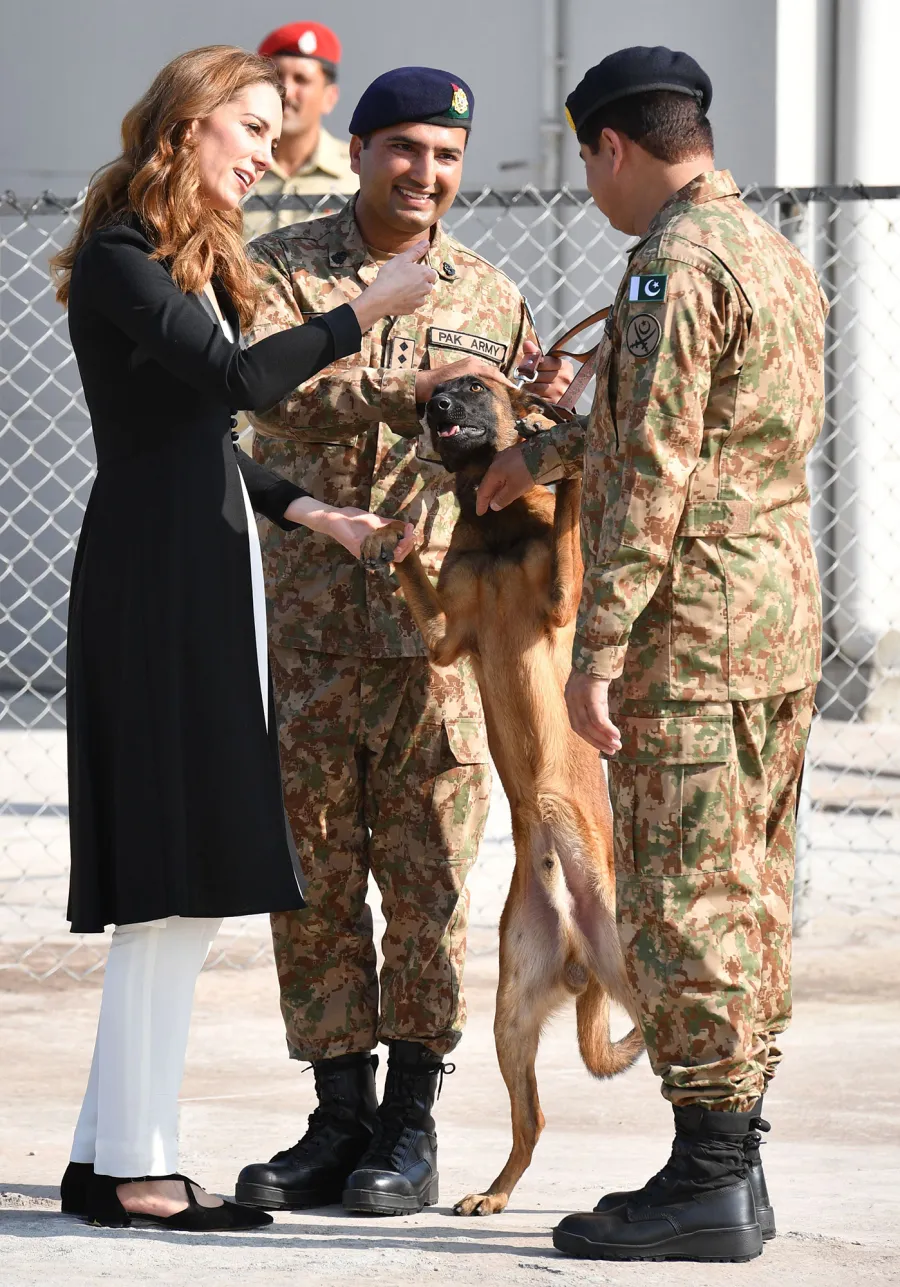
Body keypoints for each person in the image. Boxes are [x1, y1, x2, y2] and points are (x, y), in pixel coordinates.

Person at [51, 44, 432, 1232]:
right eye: (254, 126)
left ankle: (103, 1155)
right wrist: (365, 309)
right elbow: (234, 381)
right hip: (157, 585)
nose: (270, 150)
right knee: (174, 884)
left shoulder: (172, 256)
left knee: (189, 885)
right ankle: (135, 1169)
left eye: (276, 129)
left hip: (202, 568)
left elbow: (202, 437)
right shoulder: (121, 249)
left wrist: (311, 510)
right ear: (190, 123)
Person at [476, 46, 826, 1263]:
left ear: (611, 147)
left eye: (588, 164)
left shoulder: (669, 269)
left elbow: (662, 470)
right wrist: (553, 451)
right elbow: (708, 430)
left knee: (684, 906)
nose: (592, 190)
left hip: (693, 634)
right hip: (775, 620)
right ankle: (738, 1164)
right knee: (755, 893)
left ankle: (709, 1179)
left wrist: (600, 648)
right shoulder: (775, 255)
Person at [234, 66, 572, 1218]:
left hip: (447, 642)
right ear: (361, 148)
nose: (424, 175)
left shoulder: (490, 289)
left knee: (426, 878)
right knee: (314, 876)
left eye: (444, 156)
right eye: (404, 151)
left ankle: (411, 1122)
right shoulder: (281, 270)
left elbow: (527, 445)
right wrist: (408, 382)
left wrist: (553, 409)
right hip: (313, 628)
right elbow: (265, 401)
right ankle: (336, 1117)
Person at [242, 21, 357, 239]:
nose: (286, 91)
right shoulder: (233, 167)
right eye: (276, 77)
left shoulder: (358, 173)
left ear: (329, 97)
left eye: (301, 80)